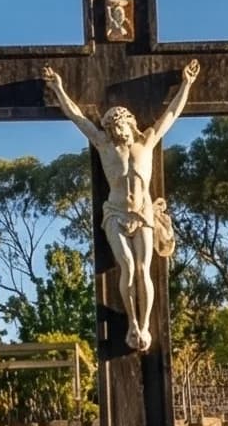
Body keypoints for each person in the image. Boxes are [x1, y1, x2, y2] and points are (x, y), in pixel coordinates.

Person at [42, 58, 200, 352]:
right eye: (113, 128)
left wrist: (186, 84)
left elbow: (171, 114)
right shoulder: (104, 146)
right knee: (127, 266)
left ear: (130, 123)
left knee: (143, 269)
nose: (118, 133)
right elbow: (78, 118)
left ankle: (146, 324)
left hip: (142, 213)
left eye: (121, 127)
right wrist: (59, 88)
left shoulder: (147, 142)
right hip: (115, 213)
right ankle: (133, 325)